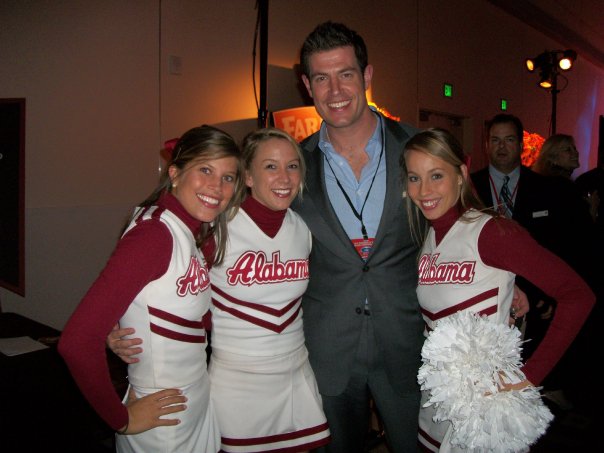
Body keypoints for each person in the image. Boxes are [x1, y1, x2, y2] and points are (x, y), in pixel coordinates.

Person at [400, 128, 595, 452]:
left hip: (485, 409)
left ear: (461, 174)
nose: (424, 190)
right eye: (414, 178)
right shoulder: (429, 239)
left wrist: (530, 377)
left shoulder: (493, 231)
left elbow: (578, 295)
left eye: (436, 175)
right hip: (437, 402)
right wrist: (510, 286)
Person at [58, 125, 242, 453]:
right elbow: (76, 342)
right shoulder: (154, 236)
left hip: (195, 402)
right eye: (205, 170)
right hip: (163, 420)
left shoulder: (191, 229)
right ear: (175, 173)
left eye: (228, 177)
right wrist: (121, 419)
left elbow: (189, 317)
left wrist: (125, 324)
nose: (217, 186)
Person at [206, 127, 330, 452]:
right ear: (247, 176)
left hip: (295, 375)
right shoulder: (217, 228)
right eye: (271, 166)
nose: (285, 177)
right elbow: (166, 284)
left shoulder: (302, 229)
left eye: (292, 166)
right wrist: (122, 328)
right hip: (237, 381)